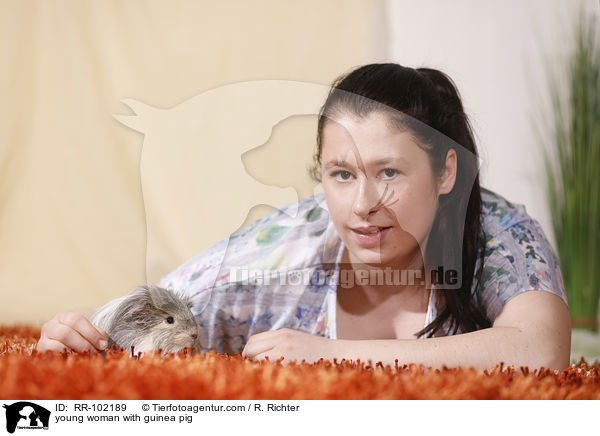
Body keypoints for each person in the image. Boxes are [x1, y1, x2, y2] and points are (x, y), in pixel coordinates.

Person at [37, 63, 571, 370]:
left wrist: (329, 354)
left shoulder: (499, 233)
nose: (363, 205)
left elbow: (540, 348)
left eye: (389, 172)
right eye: (341, 174)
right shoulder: (281, 248)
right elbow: (159, 311)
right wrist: (82, 333)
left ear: (446, 172)